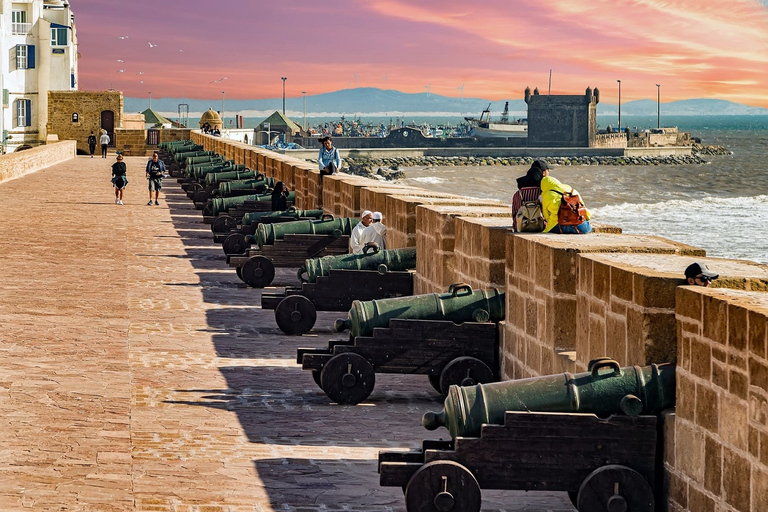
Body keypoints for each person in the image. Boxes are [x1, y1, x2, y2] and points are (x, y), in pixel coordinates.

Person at [511, 160, 546, 232]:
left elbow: (514, 214)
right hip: (540, 227)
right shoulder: (542, 192)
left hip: (521, 227)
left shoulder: (518, 194)